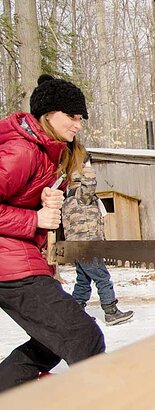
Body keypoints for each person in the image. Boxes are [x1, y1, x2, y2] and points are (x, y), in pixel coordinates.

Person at [0, 74, 105, 391]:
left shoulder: (47, 152)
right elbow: (28, 219)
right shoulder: (22, 152)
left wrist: (43, 212)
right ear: (48, 114)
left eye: (81, 117)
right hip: (9, 267)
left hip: (21, 262)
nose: (78, 124)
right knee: (83, 338)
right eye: (72, 116)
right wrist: (35, 219)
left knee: (55, 342)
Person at [62, 155, 134, 325]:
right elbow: (90, 184)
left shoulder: (70, 196)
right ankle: (111, 312)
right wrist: (86, 165)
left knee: (83, 280)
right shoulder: (79, 194)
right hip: (86, 246)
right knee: (102, 278)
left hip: (79, 245)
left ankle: (75, 315)